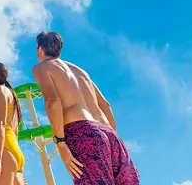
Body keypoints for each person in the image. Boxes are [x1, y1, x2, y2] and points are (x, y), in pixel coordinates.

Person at [32, 31, 139, 185]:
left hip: (83, 130)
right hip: (110, 133)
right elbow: (105, 105)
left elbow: (52, 101)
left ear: (40, 50)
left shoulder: (42, 67)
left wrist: (61, 144)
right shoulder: (81, 71)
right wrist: (112, 138)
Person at [0, 62, 25, 185]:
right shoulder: (9, 93)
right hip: (12, 148)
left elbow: (0, 123)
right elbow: (14, 129)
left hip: (3, 151)